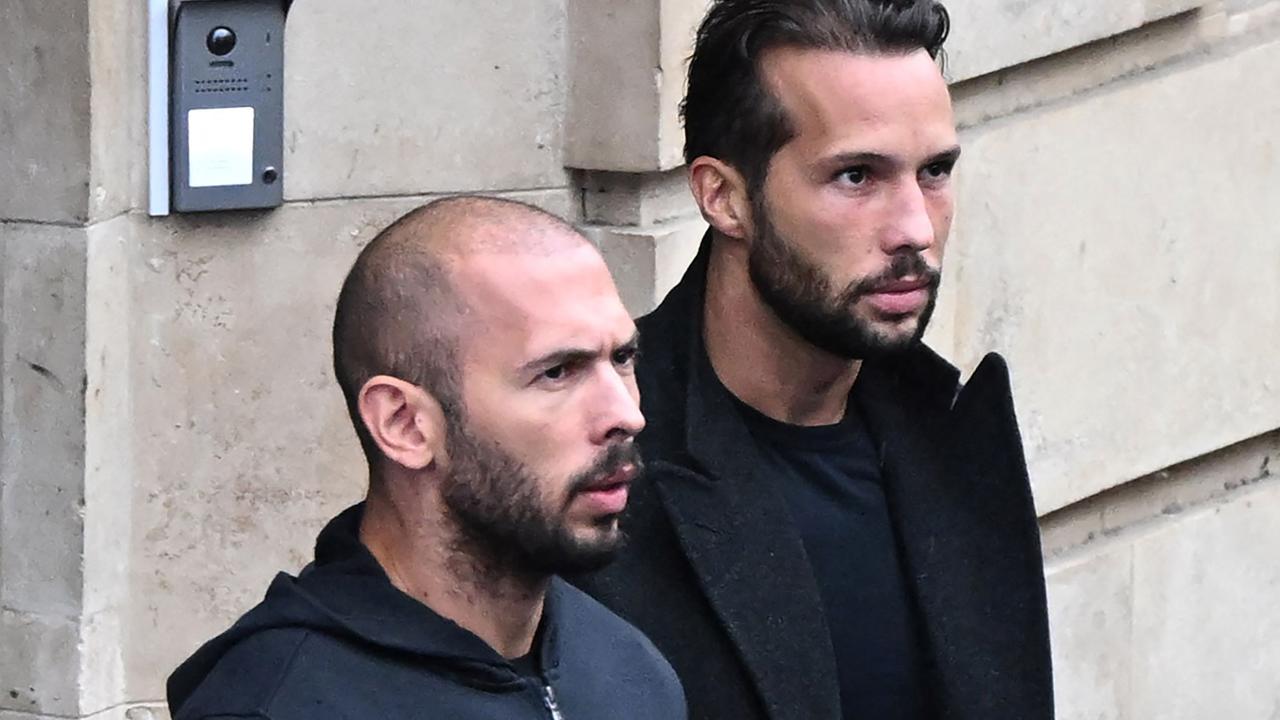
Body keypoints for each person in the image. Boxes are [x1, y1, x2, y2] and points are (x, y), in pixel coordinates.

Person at [573, 1, 1054, 719]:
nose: (914, 229)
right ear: (724, 196)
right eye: (857, 177)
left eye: (935, 172)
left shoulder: (952, 431)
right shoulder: (597, 465)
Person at [166, 196, 686, 720]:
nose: (626, 415)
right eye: (557, 372)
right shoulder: (277, 703)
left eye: (622, 358)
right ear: (405, 424)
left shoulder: (628, 670)